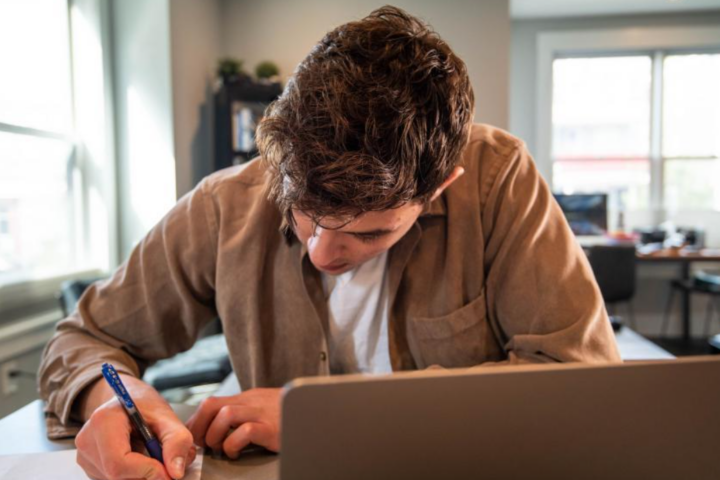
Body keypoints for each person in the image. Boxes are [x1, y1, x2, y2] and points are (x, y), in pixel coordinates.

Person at [38, 5, 620, 480]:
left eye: (369, 232)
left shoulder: (499, 179)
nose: (320, 253)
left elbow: (580, 381)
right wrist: (112, 398)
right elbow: (85, 339)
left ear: (441, 185)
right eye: (303, 214)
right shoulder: (226, 203)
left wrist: (333, 419)